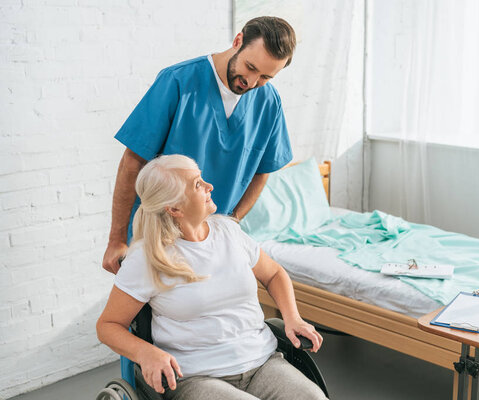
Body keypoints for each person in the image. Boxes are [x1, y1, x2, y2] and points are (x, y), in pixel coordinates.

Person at [96, 155, 326, 400]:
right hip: (196, 377)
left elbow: (274, 274)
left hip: (263, 362)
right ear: (174, 209)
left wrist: (293, 318)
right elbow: (108, 326)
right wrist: (145, 353)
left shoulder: (229, 232)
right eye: (197, 184)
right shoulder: (146, 258)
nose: (209, 186)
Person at [103, 16, 296, 275]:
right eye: (250, 67)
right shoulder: (178, 82)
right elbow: (132, 162)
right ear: (238, 41)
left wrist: (231, 223)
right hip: (157, 237)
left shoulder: (269, 102)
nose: (251, 82)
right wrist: (116, 240)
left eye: (265, 77)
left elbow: (262, 172)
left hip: (210, 241)